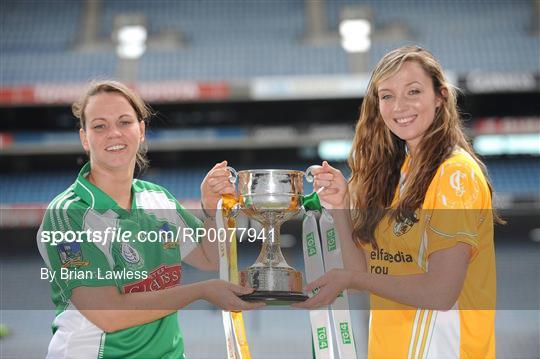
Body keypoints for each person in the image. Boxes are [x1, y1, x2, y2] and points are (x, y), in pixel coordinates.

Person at [296, 46, 498, 358]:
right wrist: (341, 209)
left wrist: (351, 279)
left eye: (413, 91)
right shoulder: (400, 173)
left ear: (440, 96)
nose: (399, 106)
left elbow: (441, 292)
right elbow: (367, 270)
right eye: (387, 95)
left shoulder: (454, 175)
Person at [36, 80, 262, 359]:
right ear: (85, 138)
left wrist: (212, 210)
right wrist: (201, 291)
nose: (114, 133)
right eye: (99, 126)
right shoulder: (67, 214)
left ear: (141, 130)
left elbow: (209, 258)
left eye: (124, 122)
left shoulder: (158, 199)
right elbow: (108, 315)